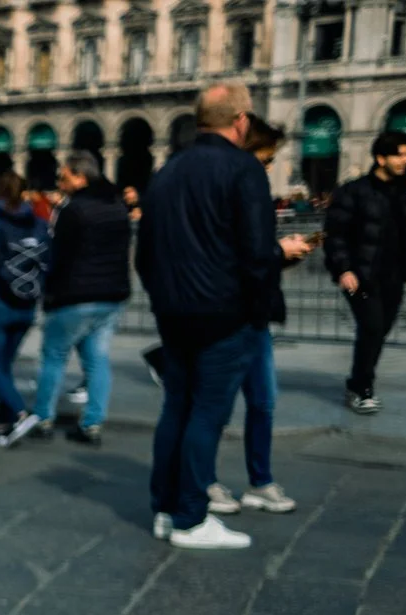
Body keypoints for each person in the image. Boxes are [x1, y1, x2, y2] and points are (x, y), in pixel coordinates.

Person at [137, 80, 283, 550]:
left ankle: (165, 508)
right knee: (208, 412)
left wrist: (164, 296)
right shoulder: (243, 170)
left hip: (173, 311)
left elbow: (144, 252)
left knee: (176, 407)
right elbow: (257, 252)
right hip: (224, 312)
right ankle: (190, 518)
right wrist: (259, 309)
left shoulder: (166, 171)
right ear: (240, 120)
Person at [205, 119, 310, 516]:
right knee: (215, 405)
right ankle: (206, 479)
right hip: (228, 316)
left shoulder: (254, 196)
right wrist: (278, 253)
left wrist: (281, 257)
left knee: (263, 401)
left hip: (257, 314)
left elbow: (256, 259)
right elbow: (233, 260)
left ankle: (260, 481)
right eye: (265, 160)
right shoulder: (226, 196)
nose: (267, 169)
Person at [323, 129, 406, 414]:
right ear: (380, 157)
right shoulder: (354, 191)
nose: (404, 160)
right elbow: (335, 234)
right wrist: (344, 269)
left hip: (396, 276)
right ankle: (362, 387)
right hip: (361, 276)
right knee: (372, 327)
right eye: (398, 155)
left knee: (378, 331)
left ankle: (357, 382)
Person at [24, 152, 130, 446]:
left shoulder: (74, 210)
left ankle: (43, 418)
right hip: (112, 295)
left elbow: (60, 256)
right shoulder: (117, 205)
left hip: (75, 295)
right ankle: (92, 424)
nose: (60, 182)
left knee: (54, 357)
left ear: (80, 176)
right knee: (97, 361)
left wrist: (50, 293)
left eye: (64, 176)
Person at [0, 170, 50, 445]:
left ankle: (19, 413)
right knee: (5, 365)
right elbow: (49, 261)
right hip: (27, 305)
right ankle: (2, 424)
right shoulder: (40, 224)